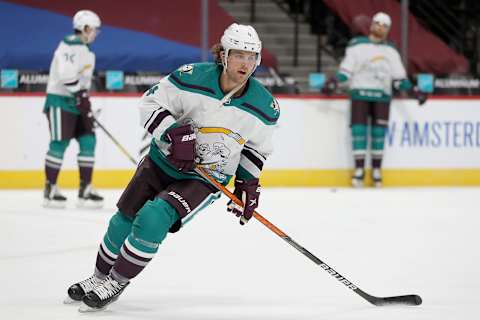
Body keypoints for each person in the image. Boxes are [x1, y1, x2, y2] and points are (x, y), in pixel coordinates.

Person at [65, 23, 280, 312]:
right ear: (224, 55)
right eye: (239, 55)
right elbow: (150, 103)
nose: (246, 63)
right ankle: (98, 277)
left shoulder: (265, 105)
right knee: (122, 220)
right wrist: (173, 133)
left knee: (153, 218)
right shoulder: (191, 77)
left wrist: (247, 185)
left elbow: (256, 149)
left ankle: (116, 281)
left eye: (252, 56)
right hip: (161, 161)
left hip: (206, 179)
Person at [323, 12, 426, 188]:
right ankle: (359, 171)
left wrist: (414, 91)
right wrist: (333, 81)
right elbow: (346, 72)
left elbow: (399, 78)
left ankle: (377, 171)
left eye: (385, 25)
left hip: (382, 96)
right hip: (359, 94)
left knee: (379, 135)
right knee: (358, 132)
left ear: (388, 29)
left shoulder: (391, 50)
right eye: (378, 23)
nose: (381, 27)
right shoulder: (357, 46)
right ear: (372, 25)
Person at [43, 10, 104, 208]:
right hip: (61, 100)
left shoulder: (86, 50)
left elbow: (81, 80)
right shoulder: (70, 44)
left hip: (78, 101)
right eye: (94, 29)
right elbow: (66, 74)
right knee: (59, 143)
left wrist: (83, 97)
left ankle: (85, 189)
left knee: (88, 140)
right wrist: (79, 94)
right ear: (85, 28)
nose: (96, 33)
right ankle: (50, 189)